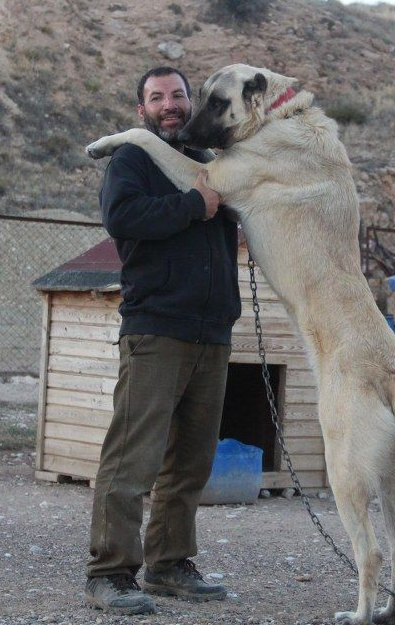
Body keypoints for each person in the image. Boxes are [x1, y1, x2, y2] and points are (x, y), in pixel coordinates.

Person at [84, 66, 241, 615]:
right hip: (155, 330)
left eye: (178, 95)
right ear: (142, 112)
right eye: (157, 98)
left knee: (190, 463)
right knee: (132, 458)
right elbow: (121, 216)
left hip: (213, 333)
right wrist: (192, 207)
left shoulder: (212, 162)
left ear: (191, 101)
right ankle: (109, 572)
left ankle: (169, 565)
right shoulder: (134, 159)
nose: (170, 105)